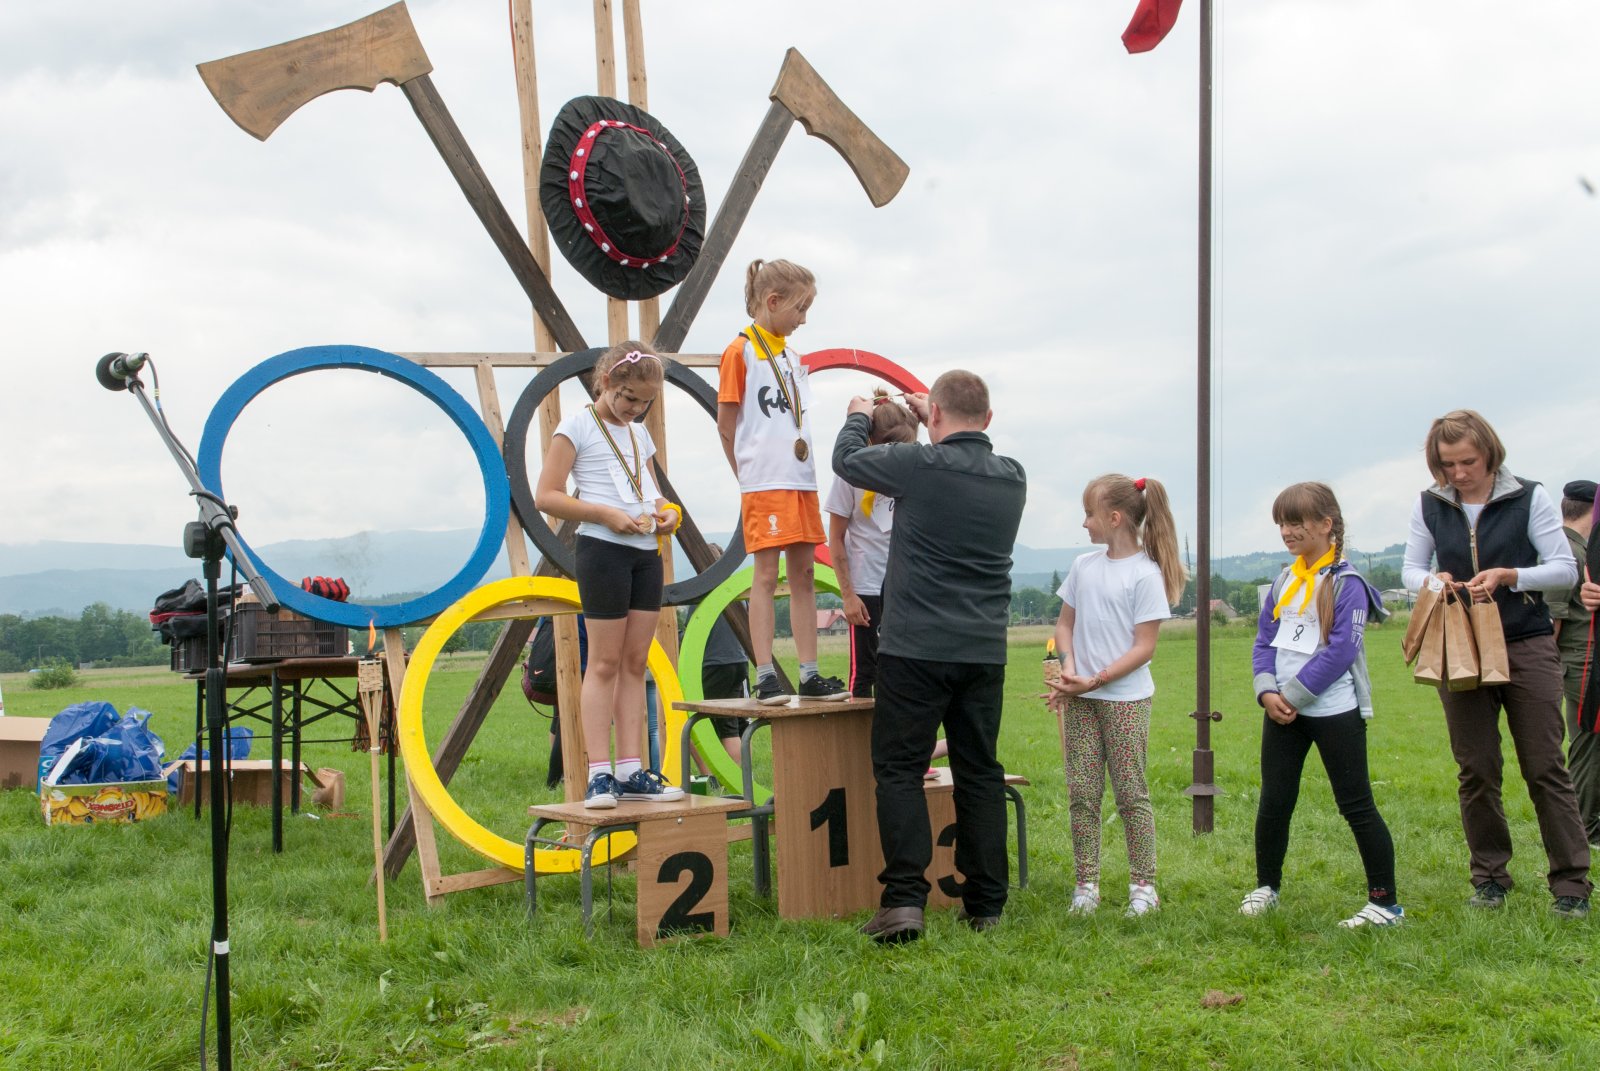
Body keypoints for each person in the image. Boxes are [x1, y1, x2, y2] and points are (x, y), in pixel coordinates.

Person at [832, 370, 1026, 942]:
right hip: (983, 649)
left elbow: (848, 460)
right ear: (989, 419)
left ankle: (903, 903)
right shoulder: (1012, 476)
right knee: (980, 772)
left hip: (914, 646)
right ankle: (986, 903)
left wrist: (859, 414)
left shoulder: (917, 465)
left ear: (933, 415)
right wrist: (933, 415)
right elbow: (960, 450)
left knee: (898, 770)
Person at [1402, 409, 1590, 917]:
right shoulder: (1429, 504)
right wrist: (1433, 581)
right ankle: (1489, 880)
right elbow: (1411, 569)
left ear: (1490, 452)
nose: (1459, 473)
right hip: (1458, 645)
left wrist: (1511, 576)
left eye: (1468, 461)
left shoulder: (1530, 496)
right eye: (1448, 464)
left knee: (1545, 767)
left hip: (1526, 643)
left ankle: (1571, 885)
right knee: (1476, 770)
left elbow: (1564, 570)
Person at [1241, 482, 1401, 927]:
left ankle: (1385, 903)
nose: (1286, 532)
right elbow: (1264, 641)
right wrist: (1266, 692)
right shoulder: (1283, 580)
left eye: (1296, 523)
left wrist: (1291, 696)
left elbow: (1341, 650)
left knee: (1356, 805)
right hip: (1281, 712)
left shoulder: (1348, 583)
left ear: (1326, 524)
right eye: (1281, 523)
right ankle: (1267, 886)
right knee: (1275, 801)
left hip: (1333, 711)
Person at [535, 340, 685, 809]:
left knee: (635, 664)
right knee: (603, 662)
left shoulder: (639, 434)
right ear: (606, 382)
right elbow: (547, 495)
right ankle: (599, 774)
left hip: (646, 553)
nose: (635, 409)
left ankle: (631, 770)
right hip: (602, 551)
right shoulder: (576, 426)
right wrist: (604, 514)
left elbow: (651, 492)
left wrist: (669, 514)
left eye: (645, 402)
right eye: (629, 398)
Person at [1045, 474, 1183, 918]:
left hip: (1125, 701)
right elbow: (1064, 625)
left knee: (1130, 794)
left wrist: (1095, 680)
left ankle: (1144, 887)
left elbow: (1144, 648)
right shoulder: (1083, 567)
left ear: (1115, 518)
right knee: (1082, 793)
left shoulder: (1145, 574)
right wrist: (1069, 669)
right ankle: (1086, 886)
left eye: (1090, 514)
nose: (1084, 523)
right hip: (1082, 699)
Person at [717, 258, 849, 705]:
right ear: (772, 302)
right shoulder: (740, 352)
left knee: (805, 573)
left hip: (801, 479)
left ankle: (809, 674)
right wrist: (746, 477)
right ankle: (766, 675)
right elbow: (726, 425)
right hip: (764, 483)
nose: (804, 319)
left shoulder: (793, 359)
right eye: (800, 308)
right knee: (766, 575)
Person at [823, 389, 920, 699]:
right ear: (872, 442)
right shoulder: (849, 476)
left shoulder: (914, 469)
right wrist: (848, 596)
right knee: (865, 674)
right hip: (866, 590)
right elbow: (836, 539)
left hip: (906, 586)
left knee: (907, 674)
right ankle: (861, 732)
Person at [1546, 480, 1600, 847]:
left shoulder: (1582, 547)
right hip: (1579, 665)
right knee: (1586, 746)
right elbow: (1553, 621)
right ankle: (1584, 830)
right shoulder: (1565, 550)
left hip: (1588, 662)